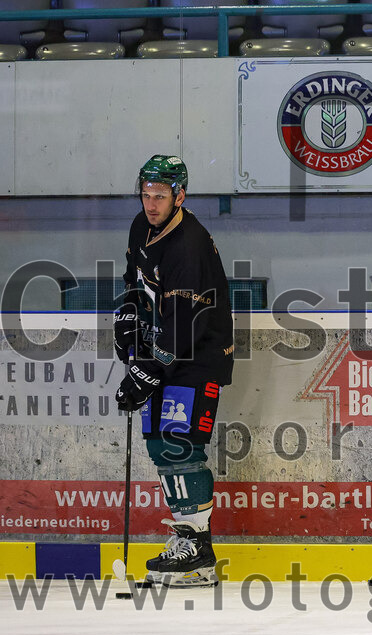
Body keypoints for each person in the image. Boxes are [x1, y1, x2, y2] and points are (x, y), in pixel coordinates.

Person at [113, 155, 234, 588]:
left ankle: (196, 551)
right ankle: (191, 547)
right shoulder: (140, 226)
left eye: (160, 196)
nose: (151, 204)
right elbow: (134, 281)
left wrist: (145, 370)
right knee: (160, 445)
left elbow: (184, 323)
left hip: (198, 356)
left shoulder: (189, 245)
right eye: (146, 195)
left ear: (179, 196)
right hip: (165, 352)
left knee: (180, 446)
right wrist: (128, 316)